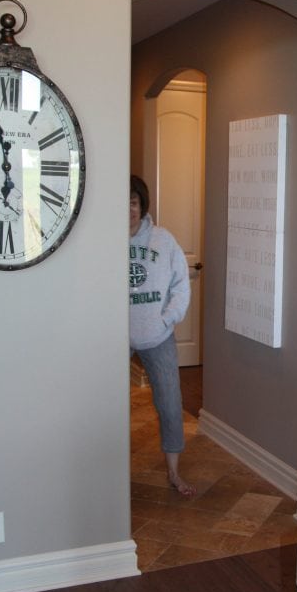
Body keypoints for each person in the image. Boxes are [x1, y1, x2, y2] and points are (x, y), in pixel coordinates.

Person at [129, 175, 196, 497]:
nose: (128, 209)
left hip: (158, 335)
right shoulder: (102, 240)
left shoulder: (163, 240)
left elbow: (181, 284)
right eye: (122, 203)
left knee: (170, 403)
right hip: (113, 339)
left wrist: (167, 319)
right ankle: (109, 474)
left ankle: (173, 471)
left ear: (142, 205)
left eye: (133, 202)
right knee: (105, 406)